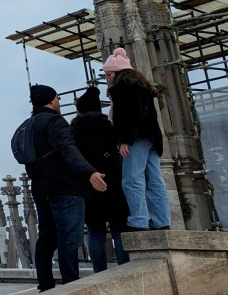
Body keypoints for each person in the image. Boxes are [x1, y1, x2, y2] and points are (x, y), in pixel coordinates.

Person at [24, 84, 107, 291]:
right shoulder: (54, 121)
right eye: (58, 98)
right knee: (69, 238)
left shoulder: (28, 124)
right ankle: (71, 286)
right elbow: (67, 148)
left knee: (46, 238)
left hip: (40, 189)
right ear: (52, 100)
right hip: (64, 187)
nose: (59, 102)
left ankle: (45, 285)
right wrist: (90, 172)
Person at [103, 48, 171, 231]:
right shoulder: (141, 86)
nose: (107, 77)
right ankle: (161, 221)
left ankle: (139, 220)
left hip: (137, 138)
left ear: (117, 72)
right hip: (152, 138)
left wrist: (125, 140)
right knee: (154, 179)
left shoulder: (122, 87)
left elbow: (132, 115)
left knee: (132, 179)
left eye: (108, 73)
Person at [71, 86, 130, 271]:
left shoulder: (73, 130)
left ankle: (100, 272)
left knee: (95, 232)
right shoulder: (109, 126)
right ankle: (124, 269)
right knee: (119, 230)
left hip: (89, 184)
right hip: (113, 182)